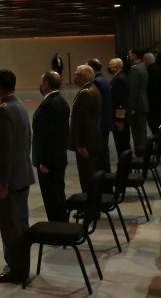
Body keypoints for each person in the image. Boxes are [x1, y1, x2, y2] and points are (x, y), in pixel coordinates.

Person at [0, 69, 35, 284]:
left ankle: (16, 270)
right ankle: (20, 265)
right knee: (20, 223)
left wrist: (2, 181)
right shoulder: (21, 107)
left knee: (10, 226)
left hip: (10, 180)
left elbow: (4, 152)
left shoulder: (3, 112)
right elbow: (27, 142)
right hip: (22, 174)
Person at [31, 71, 70, 222]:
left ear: (46, 84)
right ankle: (62, 225)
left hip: (49, 161)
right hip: (59, 156)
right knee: (59, 194)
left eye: (41, 82)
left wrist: (44, 161)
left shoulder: (49, 105)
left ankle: (56, 230)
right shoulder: (61, 101)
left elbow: (47, 136)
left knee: (51, 198)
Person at [68, 64, 103, 192]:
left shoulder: (86, 93)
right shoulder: (92, 89)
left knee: (87, 176)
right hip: (92, 141)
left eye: (77, 75)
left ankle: (90, 206)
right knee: (90, 174)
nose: (75, 78)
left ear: (83, 77)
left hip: (87, 144)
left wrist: (80, 144)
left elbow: (84, 122)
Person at [88, 58, 114, 172]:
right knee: (104, 149)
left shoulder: (96, 82)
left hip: (100, 122)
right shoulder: (103, 79)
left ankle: (104, 174)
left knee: (101, 151)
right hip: (106, 120)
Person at [127, 48, 150, 156]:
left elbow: (133, 90)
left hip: (138, 105)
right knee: (142, 132)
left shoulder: (134, 69)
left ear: (135, 55)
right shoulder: (143, 66)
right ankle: (144, 154)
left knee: (138, 134)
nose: (128, 56)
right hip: (144, 102)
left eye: (130, 54)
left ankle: (141, 157)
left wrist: (131, 107)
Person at [108, 58, 132, 159]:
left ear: (116, 67)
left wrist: (119, 120)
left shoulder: (119, 80)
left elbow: (120, 102)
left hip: (120, 119)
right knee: (122, 144)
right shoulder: (120, 77)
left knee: (122, 145)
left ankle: (125, 169)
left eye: (110, 65)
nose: (109, 67)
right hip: (120, 118)